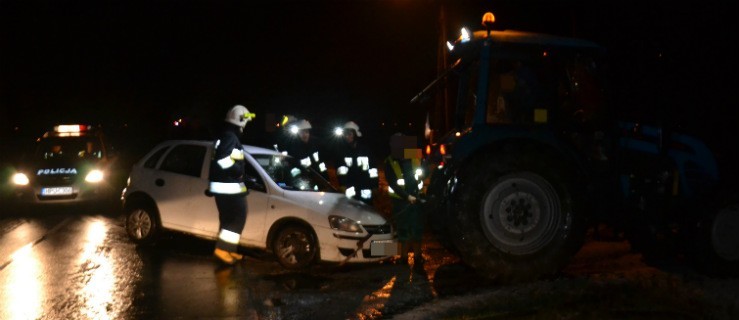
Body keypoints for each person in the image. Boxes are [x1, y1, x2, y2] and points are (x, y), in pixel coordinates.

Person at [208, 104, 255, 265]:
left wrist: (243, 176)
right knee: (237, 219)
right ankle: (223, 251)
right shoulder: (230, 137)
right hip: (228, 187)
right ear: (240, 121)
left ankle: (227, 251)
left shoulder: (225, 135)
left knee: (228, 220)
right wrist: (237, 172)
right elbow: (222, 158)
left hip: (225, 186)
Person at [385, 133, 426, 266]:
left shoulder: (415, 155)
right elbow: (393, 184)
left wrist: (421, 177)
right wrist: (407, 197)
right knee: (403, 230)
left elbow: (426, 170)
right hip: (400, 202)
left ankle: (418, 257)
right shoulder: (390, 162)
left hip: (417, 199)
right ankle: (403, 258)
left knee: (417, 228)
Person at [334, 121, 378, 205]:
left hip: (366, 187)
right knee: (350, 210)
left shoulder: (365, 150)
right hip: (350, 187)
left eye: (350, 134)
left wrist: (375, 185)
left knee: (367, 209)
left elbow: (373, 169)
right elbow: (340, 169)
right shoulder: (341, 151)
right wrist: (342, 184)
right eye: (345, 134)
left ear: (355, 134)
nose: (347, 136)